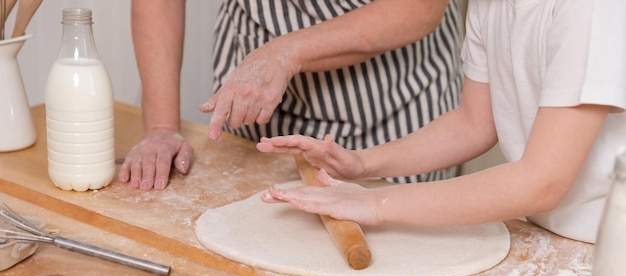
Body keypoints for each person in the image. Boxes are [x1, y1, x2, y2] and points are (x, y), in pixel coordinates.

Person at [257, 0, 626, 244]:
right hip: (557, 234)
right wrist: (364, 163)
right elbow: (472, 123)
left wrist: (377, 204)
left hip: (609, 245)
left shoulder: (591, 8)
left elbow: (542, 182)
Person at [119, 0, 464, 191]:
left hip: (389, 107)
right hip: (256, 109)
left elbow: (415, 8)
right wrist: (162, 127)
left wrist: (285, 55)